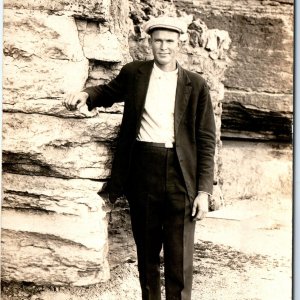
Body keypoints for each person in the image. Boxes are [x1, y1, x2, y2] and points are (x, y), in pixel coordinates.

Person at [63, 16, 216, 300]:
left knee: (179, 254)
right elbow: (107, 92)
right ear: (149, 42)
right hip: (143, 169)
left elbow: (206, 140)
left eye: (170, 41)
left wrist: (204, 190)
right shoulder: (135, 73)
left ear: (179, 44)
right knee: (146, 251)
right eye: (158, 40)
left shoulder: (195, 85)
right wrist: (86, 94)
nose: (163, 47)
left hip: (182, 174)